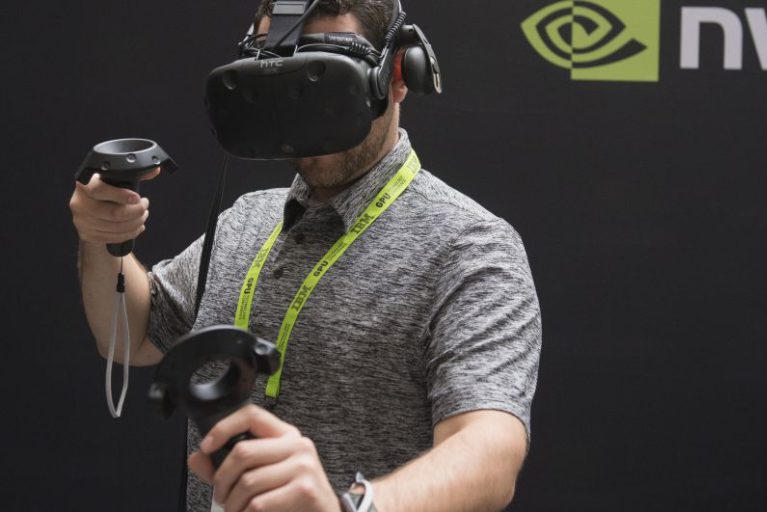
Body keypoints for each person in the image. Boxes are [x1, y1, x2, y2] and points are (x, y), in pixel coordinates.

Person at [68, 1, 542, 510]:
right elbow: (133, 335)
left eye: (325, 78)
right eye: (284, 80)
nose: (303, 107)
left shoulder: (468, 247)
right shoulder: (248, 220)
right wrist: (102, 240)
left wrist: (348, 506)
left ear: (397, 76)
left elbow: (489, 452)